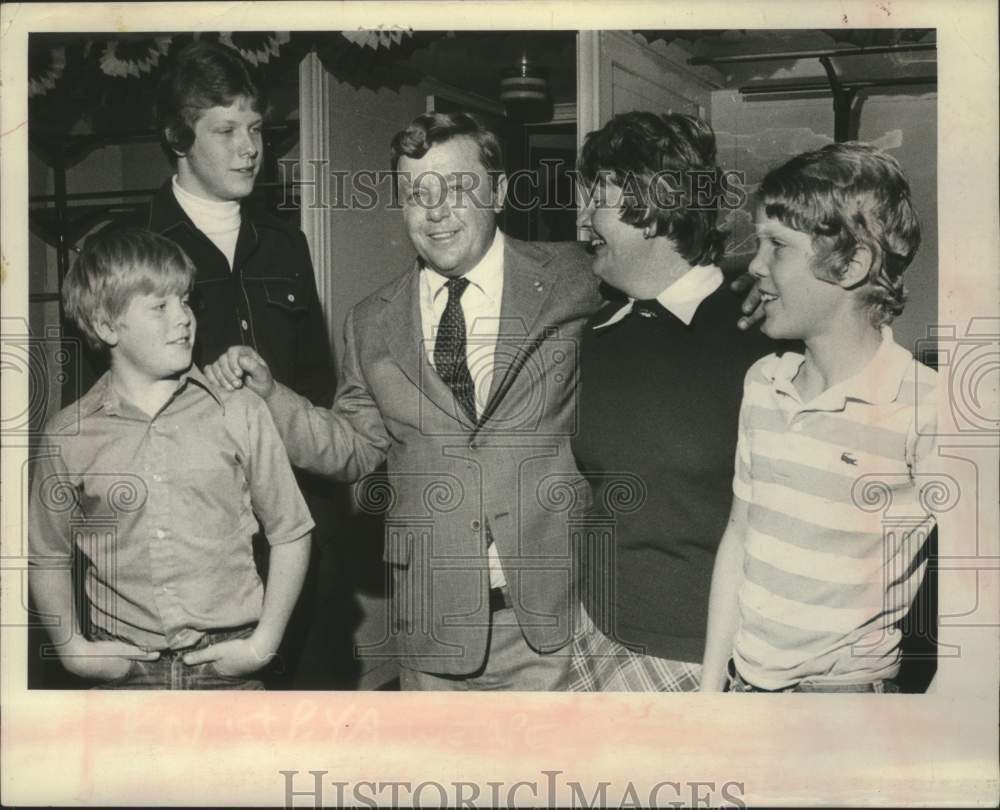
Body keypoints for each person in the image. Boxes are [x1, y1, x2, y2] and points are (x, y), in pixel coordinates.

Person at [206, 111, 603, 691]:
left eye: (457, 187)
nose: (435, 210)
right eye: (417, 193)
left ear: (495, 189)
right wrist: (271, 395)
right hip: (432, 628)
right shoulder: (371, 321)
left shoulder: (574, 276)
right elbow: (356, 448)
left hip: (558, 618)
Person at [29, 228, 313, 690]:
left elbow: (292, 532)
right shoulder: (67, 436)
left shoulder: (238, 410)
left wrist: (263, 643)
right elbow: (46, 555)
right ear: (105, 325)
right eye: (160, 307)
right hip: (125, 671)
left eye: (184, 300)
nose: (183, 318)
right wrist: (74, 651)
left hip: (228, 667)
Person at [142, 40, 345, 688]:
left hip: (299, 535)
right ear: (178, 137)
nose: (248, 148)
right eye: (225, 130)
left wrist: (273, 391)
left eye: (255, 129)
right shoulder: (136, 249)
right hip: (198, 544)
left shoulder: (288, 243)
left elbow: (320, 387)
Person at [701, 142, 937, 693]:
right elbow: (739, 536)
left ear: (851, 264)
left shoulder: (925, 406)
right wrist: (711, 689)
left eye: (777, 246)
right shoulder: (764, 383)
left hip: (842, 708)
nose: (755, 264)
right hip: (744, 689)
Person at [568, 111, 774, 692]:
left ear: (652, 209)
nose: (583, 222)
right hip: (592, 638)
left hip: (703, 659)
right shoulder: (595, 330)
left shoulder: (760, 336)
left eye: (597, 201)